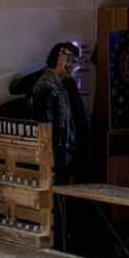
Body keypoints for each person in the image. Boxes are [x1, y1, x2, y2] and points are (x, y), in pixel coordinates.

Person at [28, 42, 90, 183]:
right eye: (69, 61)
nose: (72, 67)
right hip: (56, 157)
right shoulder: (46, 88)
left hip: (70, 155)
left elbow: (78, 118)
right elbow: (46, 129)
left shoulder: (67, 85)